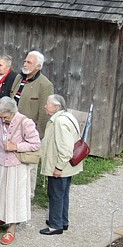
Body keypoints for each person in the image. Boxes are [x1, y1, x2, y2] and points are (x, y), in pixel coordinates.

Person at [0, 96, 42, 245]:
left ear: (12, 112)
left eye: (5, 117)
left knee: (13, 196)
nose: (3, 119)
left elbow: (36, 144)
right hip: (0, 162)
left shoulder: (25, 122)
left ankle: (11, 228)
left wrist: (16, 147)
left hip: (17, 165)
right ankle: (0, 217)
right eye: (0, 116)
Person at [40, 94, 83, 235]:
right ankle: (62, 221)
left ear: (56, 107)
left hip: (61, 166)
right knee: (63, 194)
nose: (45, 106)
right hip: (69, 166)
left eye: (48, 104)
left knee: (56, 194)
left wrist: (58, 167)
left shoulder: (59, 122)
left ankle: (55, 225)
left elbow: (65, 148)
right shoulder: (68, 116)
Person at [6, 51, 54, 137]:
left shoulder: (45, 85)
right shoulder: (19, 78)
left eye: (29, 62)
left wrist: (37, 136)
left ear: (38, 66)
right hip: (12, 127)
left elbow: (44, 115)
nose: (25, 64)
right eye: (25, 61)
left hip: (28, 131)